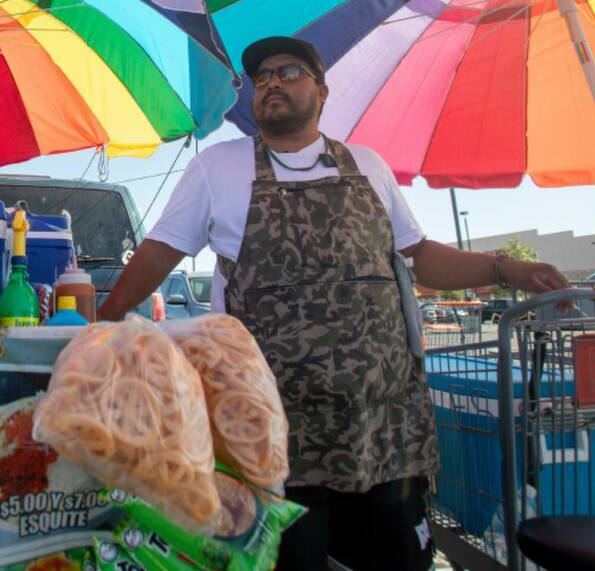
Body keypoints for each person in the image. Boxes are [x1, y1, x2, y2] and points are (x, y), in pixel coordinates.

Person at [98, 36, 570, 570]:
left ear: (322, 93)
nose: (271, 82)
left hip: (383, 428)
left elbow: (418, 256)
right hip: (272, 427)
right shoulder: (217, 167)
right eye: (261, 78)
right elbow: (161, 252)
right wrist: (103, 321)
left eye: (288, 72)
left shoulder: (367, 165)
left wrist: (504, 268)